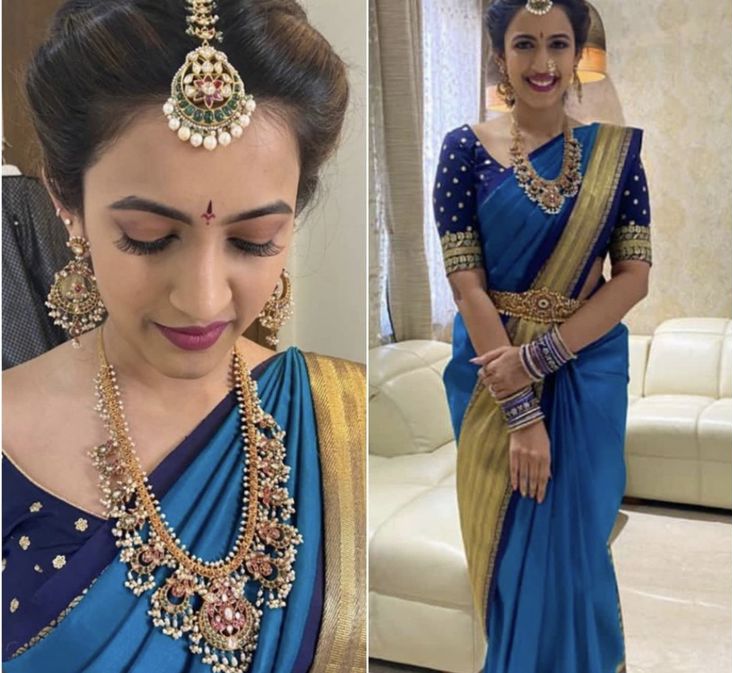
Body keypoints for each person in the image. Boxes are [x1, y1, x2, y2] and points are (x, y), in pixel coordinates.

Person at [1, 1, 365, 671]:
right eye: (149, 237)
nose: (202, 297)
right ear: (64, 198)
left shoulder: (341, 418)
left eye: (254, 240)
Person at [433, 0, 651, 671]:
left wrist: (542, 356)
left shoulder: (615, 156)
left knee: (579, 547)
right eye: (524, 44)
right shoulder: (463, 150)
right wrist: (520, 406)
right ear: (498, 54)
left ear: (576, 52)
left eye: (558, 44)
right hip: (490, 374)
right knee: (510, 559)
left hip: (585, 373)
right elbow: (467, 285)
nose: (543, 63)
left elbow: (633, 277)